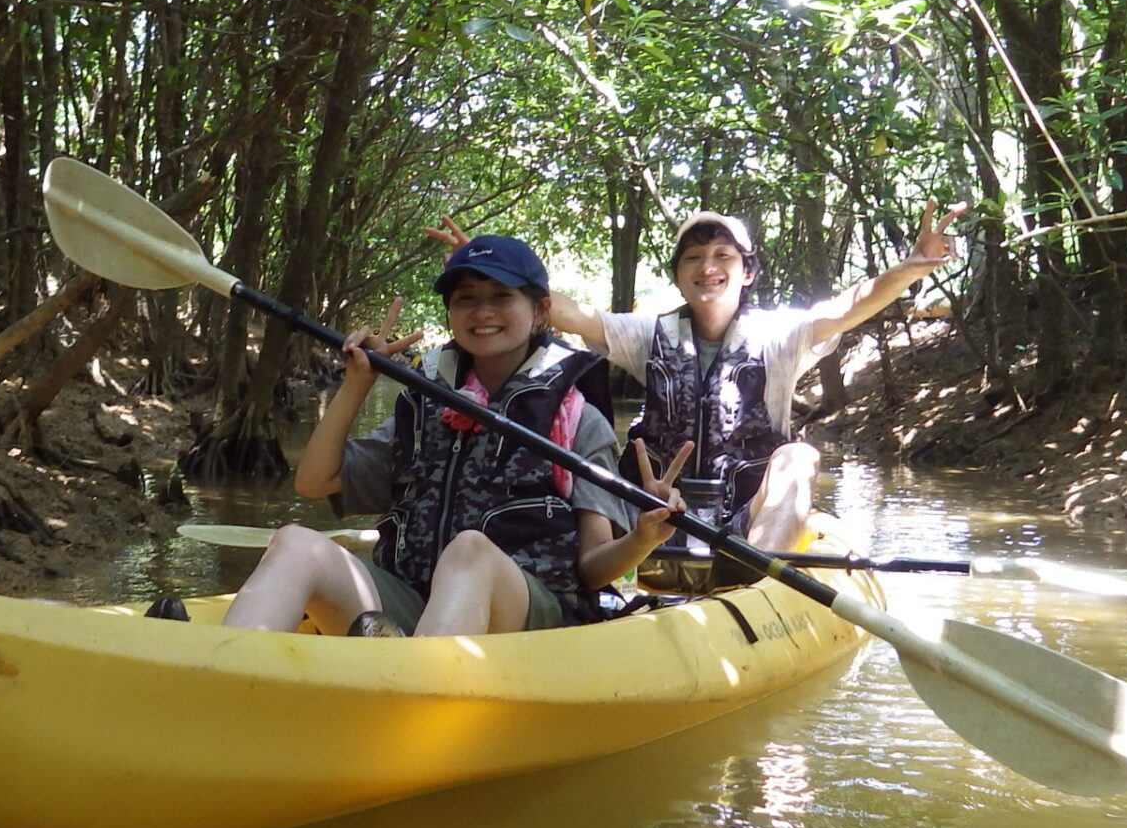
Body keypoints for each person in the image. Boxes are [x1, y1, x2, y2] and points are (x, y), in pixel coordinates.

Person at [430, 202, 963, 585]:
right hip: (656, 510)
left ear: (747, 272)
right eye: (693, 258)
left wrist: (908, 269)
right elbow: (568, 313)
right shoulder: (648, 335)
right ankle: (595, 579)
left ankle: (755, 578)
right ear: (679, 277)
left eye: (723, 255)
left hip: (743, 519)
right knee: (591, 460)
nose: (708, 267)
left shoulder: (782, 335)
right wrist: (484, 268)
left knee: (799, 456)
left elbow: (848, 307)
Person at [199, 234, 685, 638]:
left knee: (470, 551)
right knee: (295, 541)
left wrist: (643, 538)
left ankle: (411, 701)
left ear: (539, 312)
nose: (482, 312)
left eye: (500, 296)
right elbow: (312, 482)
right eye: (465, 299)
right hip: (419, 604)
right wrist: (356, 385)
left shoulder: (579, 420)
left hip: (530, 620)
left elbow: (593, 568)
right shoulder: (425, 403)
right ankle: (227, 674)